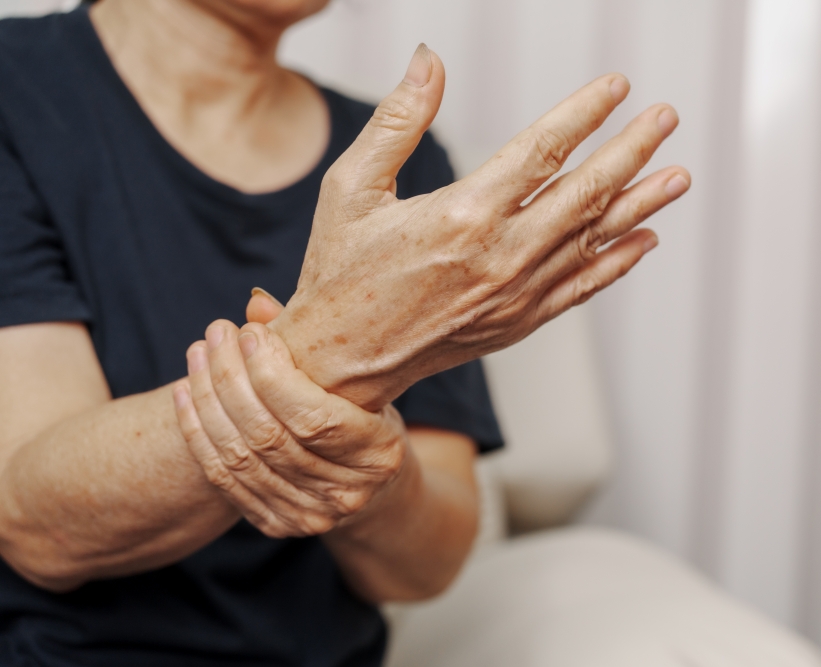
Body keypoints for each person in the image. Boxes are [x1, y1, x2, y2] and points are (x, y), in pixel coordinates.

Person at [0, 0, 690, 665]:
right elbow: (36, 526)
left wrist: (369, 471)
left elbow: (425, 566)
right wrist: (334, 351)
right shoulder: (18, 86)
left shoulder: (408, 163)